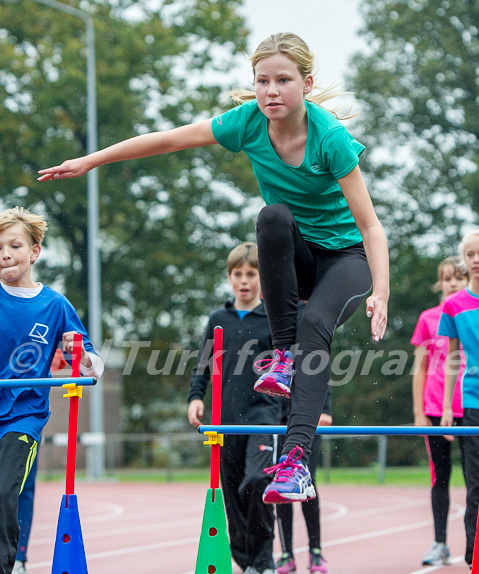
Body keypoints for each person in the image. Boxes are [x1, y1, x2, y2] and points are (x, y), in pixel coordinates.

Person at [38, 32, 389, 505]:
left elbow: (371, 227)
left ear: (306, 84)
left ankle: (297, 463)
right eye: (261, 81)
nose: (270, 91)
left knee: (316, 325)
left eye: (283, 81)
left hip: (347, 260)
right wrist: (91, 161)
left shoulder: (330, 139)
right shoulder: (246, 123)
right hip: (300, 256)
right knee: (272, 216)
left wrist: (381, 292)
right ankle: (282, 356)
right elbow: (167, 140)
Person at [0, 206, 104, 574]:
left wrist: (77, 355)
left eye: (14, 246)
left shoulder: (55, 306)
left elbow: (92, 364)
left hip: (22, 418)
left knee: (3, 497)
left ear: (34, 251)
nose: (5, 254)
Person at [188, 242, 283, 574]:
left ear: (262, 277)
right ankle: (246, 565)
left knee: (257, 482)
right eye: (238, 274)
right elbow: (203, 364)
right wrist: (195, 398)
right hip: (224, 419)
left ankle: (267, 563)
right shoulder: (218, 319)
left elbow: (292, 368)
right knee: (230, 493)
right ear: (229, 277)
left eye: (251, 274)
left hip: (264, 415)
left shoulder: (274, 318)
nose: (244, 281)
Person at [411, 257, 468, 566]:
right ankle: (440, 542)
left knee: (474, 479)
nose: (453, 283)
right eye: (447, 278)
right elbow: (419, 369)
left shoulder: (472, 313)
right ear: (440, 282)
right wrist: (419, 413)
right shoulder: (428, 318)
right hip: (435, 409)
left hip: (470, 407)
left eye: (459, 277)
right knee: (440, 476)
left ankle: (472, 542)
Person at [9, 349, 67, 574]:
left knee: (21, 488)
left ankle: (18, 561)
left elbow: (75, 358)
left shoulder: (43, 313)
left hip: (24, 417)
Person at [440, 231, 479, 569]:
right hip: (472, 403)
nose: (476, 259)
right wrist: (447, 409)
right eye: (471, 254)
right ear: (465, 262)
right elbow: (451, 360)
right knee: (475, 484)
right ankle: (473, 557)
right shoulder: (454, 306)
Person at [275, 388, 332, 574]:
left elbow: (321, 374)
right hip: (279, 423)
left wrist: (326, 409)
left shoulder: (309, 357)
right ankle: (286, 554)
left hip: (308, 421)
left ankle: (315, 552)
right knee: (281, 484)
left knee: (308, 479)